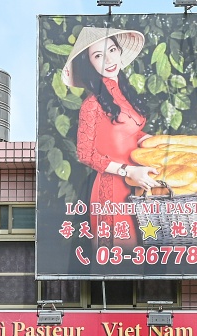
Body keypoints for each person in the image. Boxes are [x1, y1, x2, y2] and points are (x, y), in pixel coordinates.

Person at [62, 26, 160, 250]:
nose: (108, 59)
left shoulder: (124, 93)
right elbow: (85, 154)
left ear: (119, 52)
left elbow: (128, 132)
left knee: (143, 259)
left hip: (139, 183)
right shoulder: (91, 104)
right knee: (119, 260)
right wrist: (128, 170)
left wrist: (149, 140)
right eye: (98, 55)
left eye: (112, 50)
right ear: (90, 64)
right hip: (113, 189)